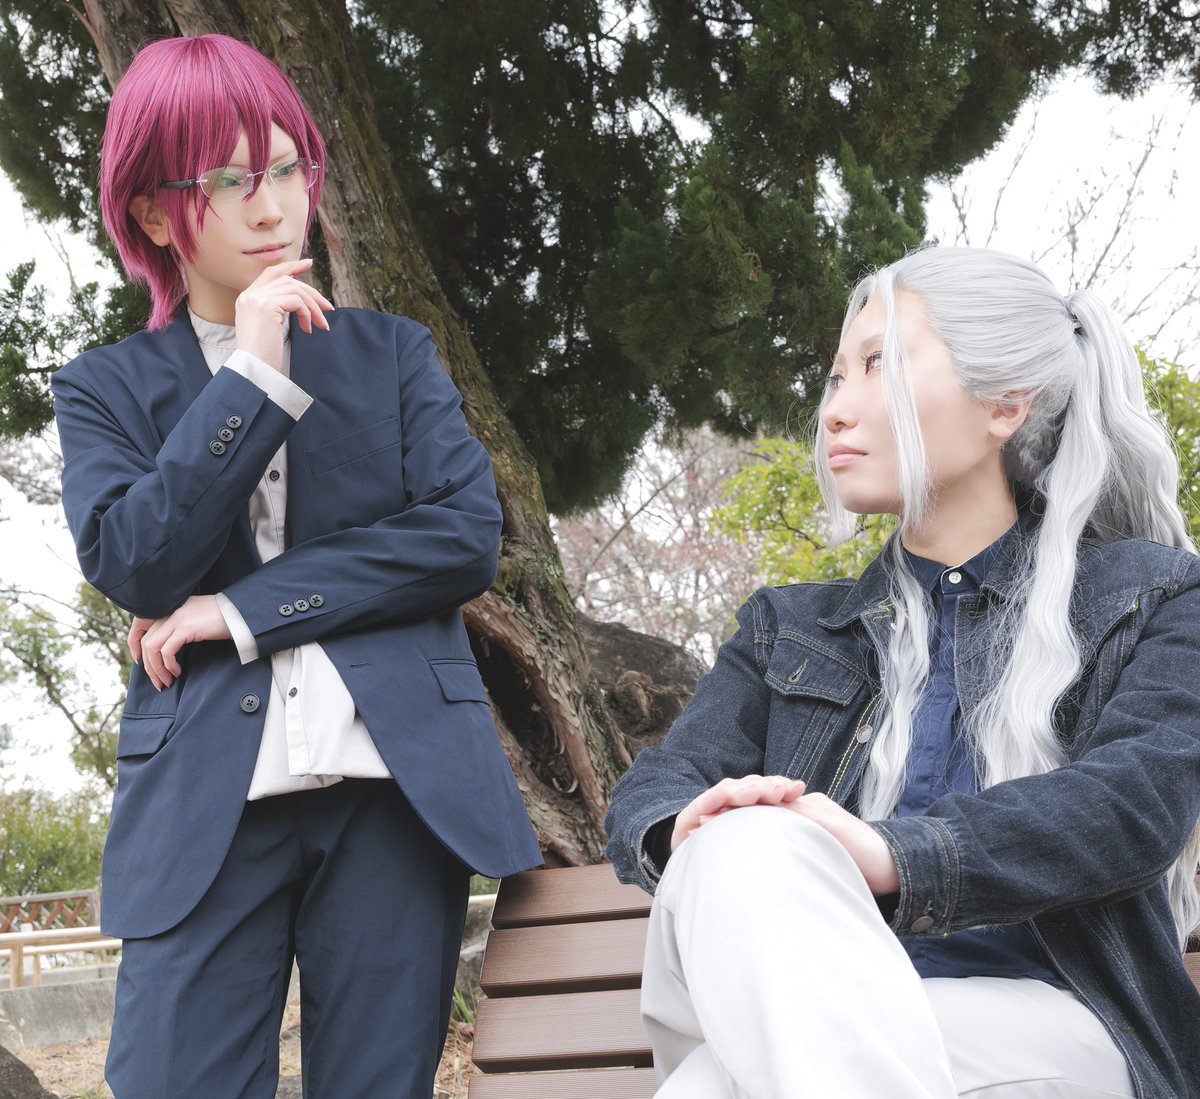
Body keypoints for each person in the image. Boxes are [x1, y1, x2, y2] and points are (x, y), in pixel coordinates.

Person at [52, 34, 541, 1099]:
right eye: (231, 181)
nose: (275, 206)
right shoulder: (104, 389)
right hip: (204, 806)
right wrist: (252, 378)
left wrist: (239, 609)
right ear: (153, 215)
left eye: (286, 168)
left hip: (393, 790)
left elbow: (462, 536)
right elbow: (136, 561)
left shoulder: (394, 353)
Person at [604, 246, 1200, 1098]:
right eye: (835, 376)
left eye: (878, 364)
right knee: (745, 838)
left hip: (1055, 1026)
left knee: (708, 1087)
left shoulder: (1155, 597)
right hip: (801, 1008)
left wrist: (893, 855)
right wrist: (689, 828)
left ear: (1006, 405)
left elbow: (1132, 805)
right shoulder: (786, 628)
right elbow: (660, 785)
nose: (835, 410)